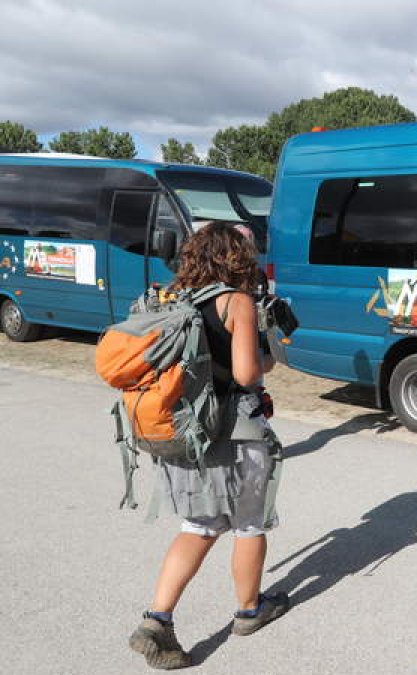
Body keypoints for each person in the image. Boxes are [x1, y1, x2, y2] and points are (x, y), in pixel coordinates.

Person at [128, 222, 287, 670]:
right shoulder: (236, 301)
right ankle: (249, 610)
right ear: (235, 256)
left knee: (198, 525)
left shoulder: (171, 296)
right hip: (234, 432)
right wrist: (265, 356)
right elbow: (245, 375)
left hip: (184, 430)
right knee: (250, 523)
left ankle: (157, 619)